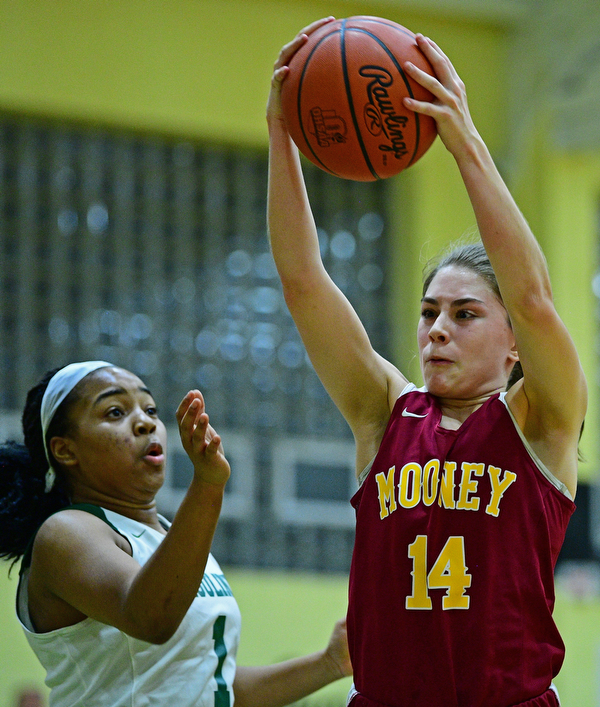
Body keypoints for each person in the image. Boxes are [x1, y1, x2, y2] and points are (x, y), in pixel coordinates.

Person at [267, 17, 586, 707]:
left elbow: (532, 297)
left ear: (512, 343)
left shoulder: (542, 423)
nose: (437, 329)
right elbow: (302, 281)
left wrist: (463, 140)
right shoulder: (384, 412)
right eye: (428, 311)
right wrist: (282, 136)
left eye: (464, 314)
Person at [0, 360, 351, 706]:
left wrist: (329, 663)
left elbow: (211, 687)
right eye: (114, 412)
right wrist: (209, 484)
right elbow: (150, 617)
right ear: (65, 450)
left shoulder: (170, 538)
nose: (144, 422)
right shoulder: (65, 532)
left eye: (150, 409)